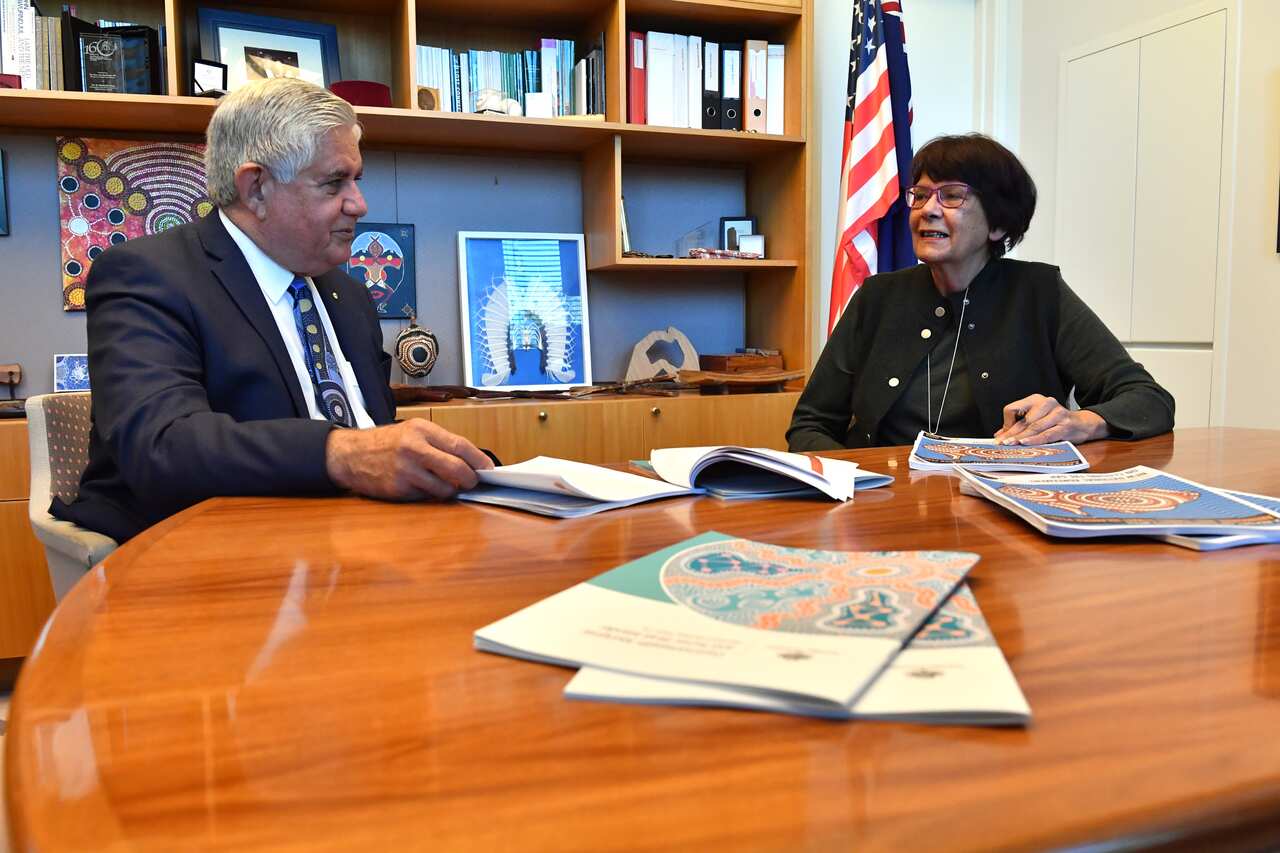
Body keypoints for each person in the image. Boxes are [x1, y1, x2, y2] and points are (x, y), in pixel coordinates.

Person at [52, 77, 493, 544]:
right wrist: (341, 454)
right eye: (334, 183)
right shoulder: (146, 275)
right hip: (206, 555)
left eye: (357, 180)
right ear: (256, 188)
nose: (359, 204)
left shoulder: (349, 296)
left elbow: (370, 435)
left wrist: (450, 464)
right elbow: (163, 447)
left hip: (356, 543)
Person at [788, 133, 1174, 451]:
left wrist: (1078, 423)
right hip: (883, 505)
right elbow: (812, 423)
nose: (928, 210)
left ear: (999, 224)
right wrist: (856, 485)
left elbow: (1148, 400)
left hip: (1002, 505)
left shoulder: (1039, 294)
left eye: (952, 195)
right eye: (920, 196)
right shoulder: (877, 297)